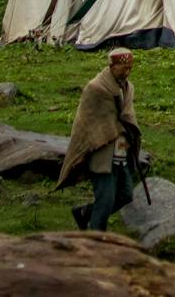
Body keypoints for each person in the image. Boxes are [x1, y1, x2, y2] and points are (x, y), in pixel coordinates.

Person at [58, 47, 140, 231]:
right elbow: (90, 122)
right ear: (112, 66)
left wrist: (129, 135)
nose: (127, 72)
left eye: (130, 68)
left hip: (121, 152)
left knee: (126, 194)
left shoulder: (127, 88)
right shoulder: (96, 88)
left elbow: (127, 116)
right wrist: (118, 130)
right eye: (124, 68)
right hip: (102, 152)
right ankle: (97, 237)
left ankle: (86, 213)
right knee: (106, 200)